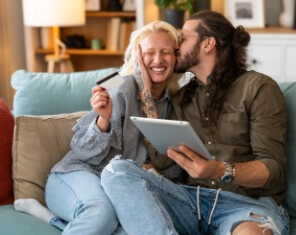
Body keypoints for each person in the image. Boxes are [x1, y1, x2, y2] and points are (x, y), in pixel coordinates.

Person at [101, 10, 289, 235]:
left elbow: (274, 168)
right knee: (116, 171)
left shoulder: (257, 87)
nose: (176, 45)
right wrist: (147, 94)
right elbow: (163, 161)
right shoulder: (182, 97)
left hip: (245, 205)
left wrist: (220, 170)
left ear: (208, 43)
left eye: (183, 38)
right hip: (189, 202)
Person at [14, 20, 182, 235]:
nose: (158, 60)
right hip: (80, 173)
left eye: (165, 52)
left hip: (121, 188)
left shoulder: (177, 101)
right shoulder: (120, 86)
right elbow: (82, 152)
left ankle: (51, 219)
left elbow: (174, 169)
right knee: (101, 215)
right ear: (137, 56)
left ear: (176, 56)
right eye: (149, 52)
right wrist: (103, 120)